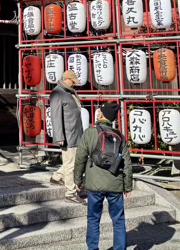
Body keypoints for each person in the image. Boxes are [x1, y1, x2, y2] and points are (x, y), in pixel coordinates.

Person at [74, 102, 132, 250]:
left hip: (95, 183)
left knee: (93, 219)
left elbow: (80, 157)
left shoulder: (90, 132)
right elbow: (126, 163)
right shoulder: (119, 136)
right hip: (115, 183)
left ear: (101, 115)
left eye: (99, 111)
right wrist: (128, 185)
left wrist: (78, 180)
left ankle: (93, 248)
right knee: (118, 220)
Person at [49, 69, 85, 204]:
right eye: (73, 81)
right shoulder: (58, 93)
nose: (75, 84)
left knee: (73, 161)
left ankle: (57, 177)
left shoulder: (70, 92)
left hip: (75, 132)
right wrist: (59, 137)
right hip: (67, 135)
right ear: (66, 79)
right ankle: (70, 193)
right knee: (71, 164)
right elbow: (56, 116)